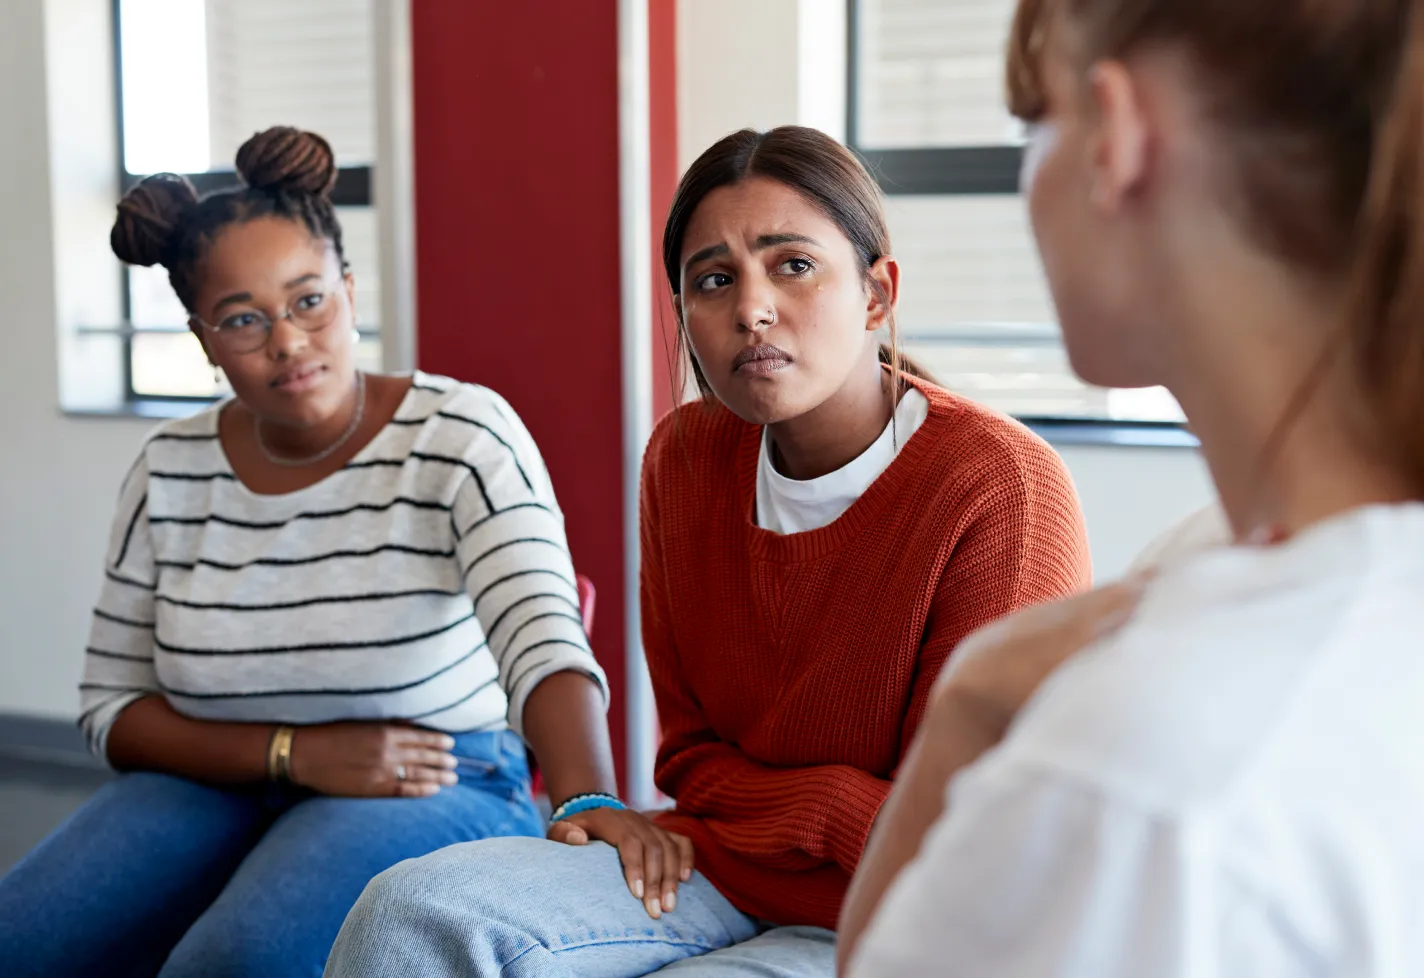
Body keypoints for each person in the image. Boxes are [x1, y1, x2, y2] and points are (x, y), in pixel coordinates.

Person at [322, 125, 1091, 977]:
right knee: (406, 915)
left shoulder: (1000, 488)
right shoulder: (683, 458)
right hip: (711, 866)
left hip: (912, 916)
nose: (751, 308)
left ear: (877, 295)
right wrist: (811, 807)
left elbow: (962, 833)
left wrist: (795, 810)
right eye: (714, 280)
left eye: (792, 265)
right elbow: (688, 757)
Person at [0, 126, 677, 978]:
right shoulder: (168, 467)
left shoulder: (461, 431)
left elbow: (542, 638)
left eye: (308, 300)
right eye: (243, 319)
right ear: (204, 340)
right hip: (210, 774)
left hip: (437, 776)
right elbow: (111, 707)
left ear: (350, 290)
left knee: (235, 965)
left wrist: (588, 800)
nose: (286, 341)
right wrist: (294, 752)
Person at [840, 0, 1424, 974]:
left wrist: (969, 706)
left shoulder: (1141, 784)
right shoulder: (1217, 584)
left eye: (1035, 119)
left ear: (1114, 135)